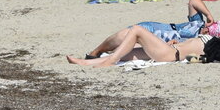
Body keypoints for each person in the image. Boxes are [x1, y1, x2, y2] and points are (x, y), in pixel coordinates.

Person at [83, 0, 220, 58]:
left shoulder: (199, 43)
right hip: (154, 29)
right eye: (209, 27)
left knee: (122, 51)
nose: (206, 29)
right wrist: (209, 15)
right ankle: (96, 51)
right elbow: (193, 0)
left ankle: (102, 55)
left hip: (156, 44)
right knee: (124, 36)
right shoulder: (198, 22)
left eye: (210, 30)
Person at [67, 25, 211, 67]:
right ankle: (84, 62)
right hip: (169, 50)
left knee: (136, 30)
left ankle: (109, 62)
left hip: (171, 55)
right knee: (123, 54)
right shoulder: (214, 41)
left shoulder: (219, 45)